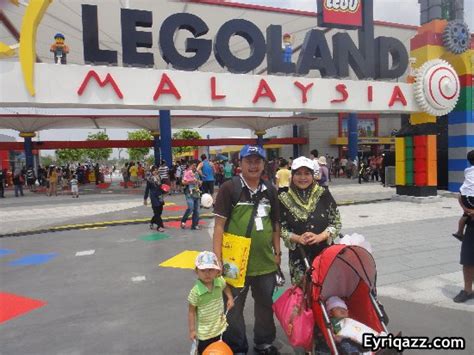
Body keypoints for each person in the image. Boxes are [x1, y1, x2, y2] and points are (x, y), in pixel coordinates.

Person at [213, 144, 281, 355]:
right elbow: (219, 226)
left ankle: (263, 343)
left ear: (263, 165)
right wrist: (218, 259)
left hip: (265, 262)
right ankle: (237, 346)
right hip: (234, 264)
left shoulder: (270, 189)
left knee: (264, 306)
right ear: (240, 163)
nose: (253, 165)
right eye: (249, 161)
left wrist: (277, 253)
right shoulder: (230, 188)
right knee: (233, 308)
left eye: (257, 161)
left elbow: (276, 225)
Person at [279, 156, 341, 287]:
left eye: (307, 173)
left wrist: (320, 237)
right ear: (292, 175)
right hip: (299, 257)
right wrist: (297, 238)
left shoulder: (323, 194)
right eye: (298, 173)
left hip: (325, 253)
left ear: (313, 175)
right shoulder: (283, 198)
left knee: (326, 292)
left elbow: (336, 222)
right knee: (303, 296)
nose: (303, 178)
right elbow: (280, 228)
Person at [188, 251, 234, 355]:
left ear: (217, 271)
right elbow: (191, 311)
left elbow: (225, 287)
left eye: (211, 270)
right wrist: (192, 330)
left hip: (220, 328)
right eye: (203, 270)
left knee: (221, 351)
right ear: (197, 271)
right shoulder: (196, 292)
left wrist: (230, 298)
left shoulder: (219, 281)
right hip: (205, 334)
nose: (207, 273)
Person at [453, 151, 474, 303]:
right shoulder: (470, 177)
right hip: (471, 225)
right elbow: (461, 196)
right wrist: (466, 210)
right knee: (467, 258)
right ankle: (468, 290)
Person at [453, 150, 474, 242]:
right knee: (469, 213)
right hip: (470, 196)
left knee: (466, 214)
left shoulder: (467, 170)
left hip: (464, 196)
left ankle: (460, 232)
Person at [181, 161, 202, 230]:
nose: (194, 167)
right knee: (191, 208)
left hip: (196, 193)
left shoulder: (196, 174)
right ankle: (183, 220)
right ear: (190, 166)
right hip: (189, 193)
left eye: (195, 165)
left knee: (197, 210)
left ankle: (195, 224)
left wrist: (199, 182)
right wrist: (190, 181)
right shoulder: (186, 172)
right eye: (193, 165)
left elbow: (199, 183)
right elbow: (183, 182)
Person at [144, 166, 166, 232]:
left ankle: (152, 222)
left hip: (160, 196)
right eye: (154, 170)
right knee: (156, 211)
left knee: (160, 211)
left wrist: (165, 191)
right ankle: (159, 226)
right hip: (153, 196)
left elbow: (161, 187)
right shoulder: (149, 179)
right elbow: (147, 190)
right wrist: (145, 199)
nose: (155, 171)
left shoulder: (159, 177)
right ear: (151, 171)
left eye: (156, 170)